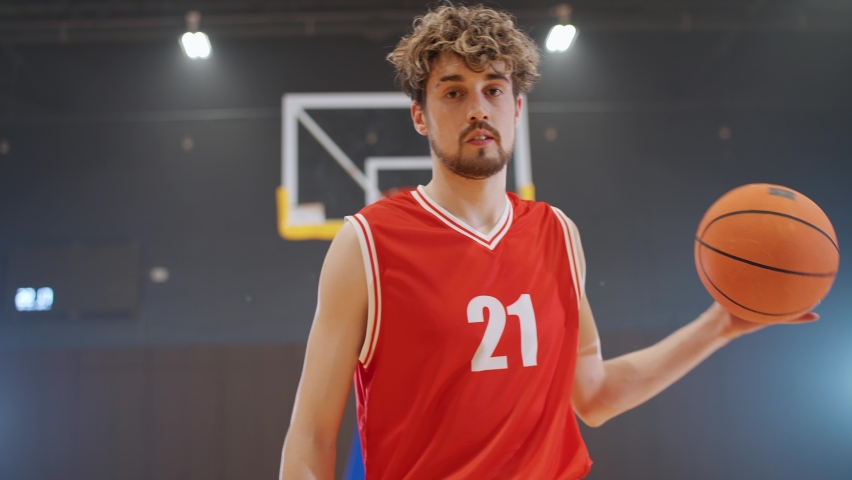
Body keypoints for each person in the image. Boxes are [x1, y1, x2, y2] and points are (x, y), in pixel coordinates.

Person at [279, 5, 818, 479]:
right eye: (453, 92)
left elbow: (596, 395)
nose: (477, 108)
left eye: (493, 89)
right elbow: (311, 439)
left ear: (516, 108)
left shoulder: (558, 233)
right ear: (420, 115)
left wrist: (721, 325)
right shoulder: (367, 243)